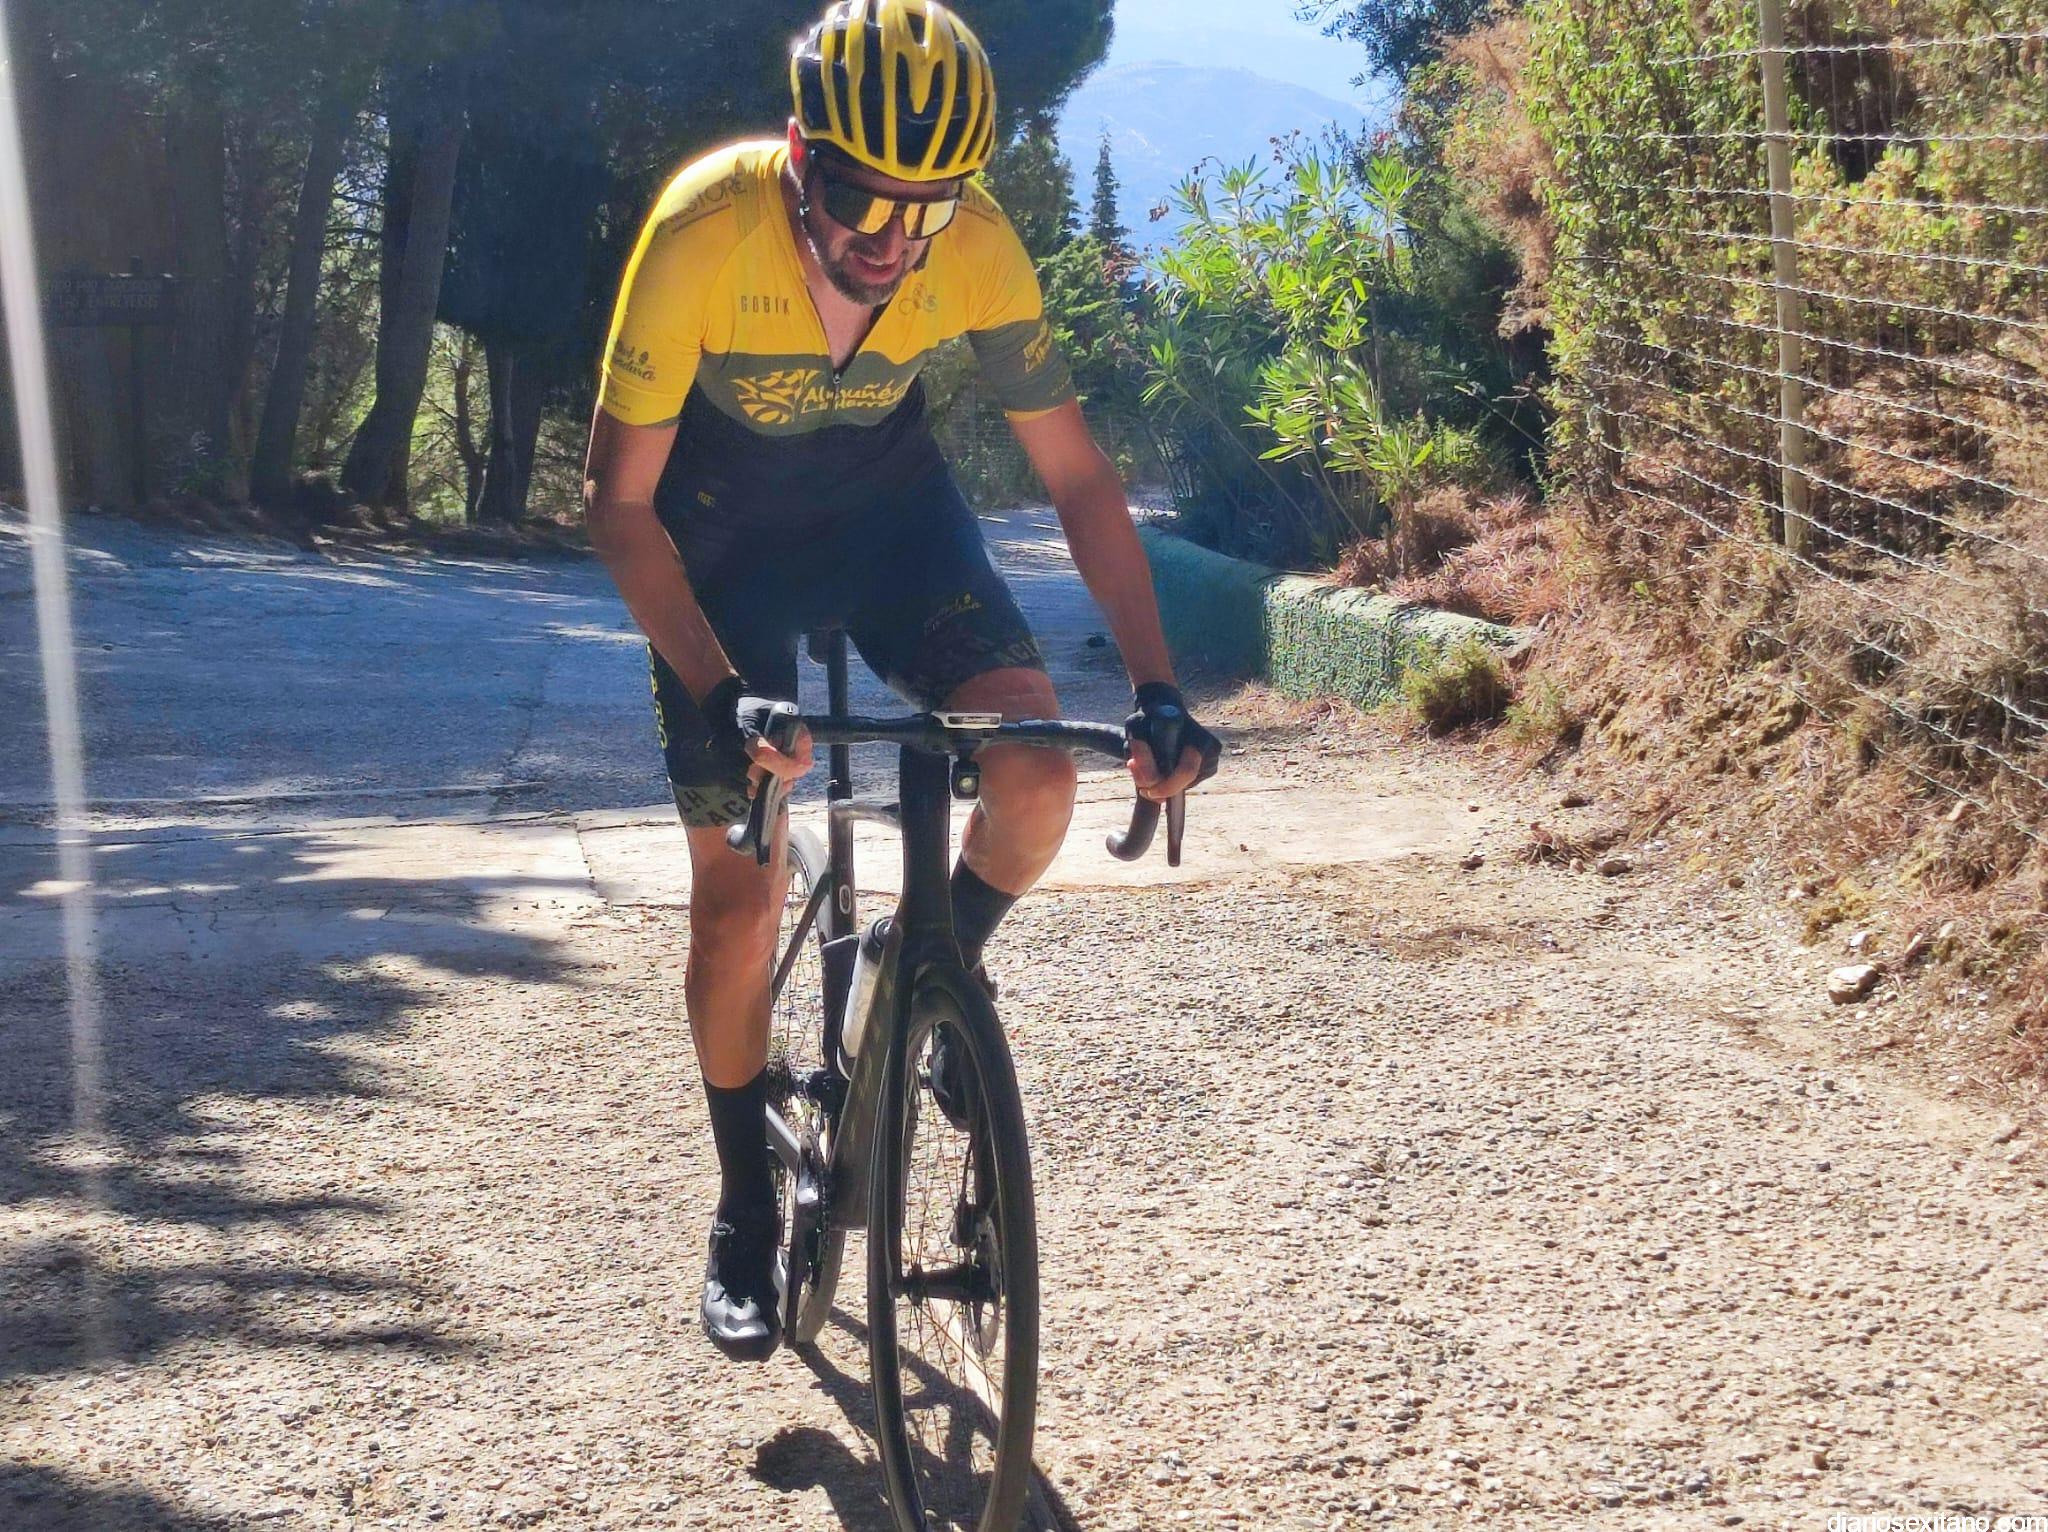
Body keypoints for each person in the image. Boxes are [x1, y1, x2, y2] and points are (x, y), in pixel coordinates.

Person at [582, 0, 1220, 1362]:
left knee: (1036, 777)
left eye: (927, 209)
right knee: (738, 900)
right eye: (864, 197)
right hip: (723, 551)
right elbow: (617, 505)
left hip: (890, 523)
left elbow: (1077, 477)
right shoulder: (703, 231)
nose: (892, 238)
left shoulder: (975, 244)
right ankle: (744, 1206)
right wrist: (717, 688)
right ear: (800, 153)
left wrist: (1158, 685)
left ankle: (928, 963)